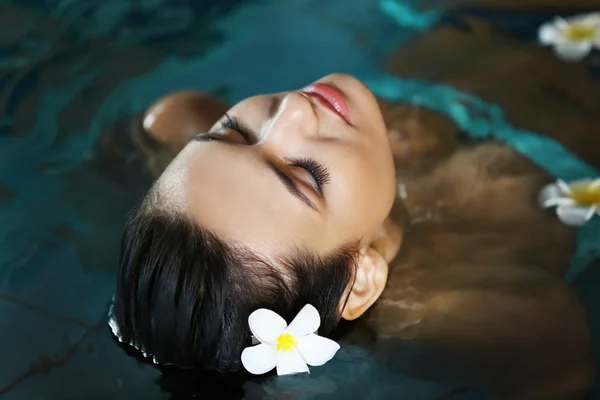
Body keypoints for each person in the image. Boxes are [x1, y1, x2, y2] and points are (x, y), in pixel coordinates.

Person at [111, 74, 594, 399]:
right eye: (304, 175)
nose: (293, 109)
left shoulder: (215, 190)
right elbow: (566, 367)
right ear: (360, 281)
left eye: (234, 134)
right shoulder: (461, 306)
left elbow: (175, 115)